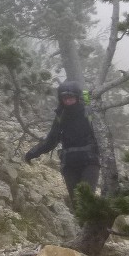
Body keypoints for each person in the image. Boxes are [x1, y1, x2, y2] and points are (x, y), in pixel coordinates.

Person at [22, 80, 100, 208]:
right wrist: (32, 153)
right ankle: (83, 228)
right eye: (65, 98)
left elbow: (101, 137)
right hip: (69, 164)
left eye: (71, 97)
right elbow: (51, 140)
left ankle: (97, 227)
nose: (68, 101)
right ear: (60, 98)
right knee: (77, 204)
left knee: (87, 201)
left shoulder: (89, 112)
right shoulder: (61, 115)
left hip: (90, 162)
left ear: (78, 97)